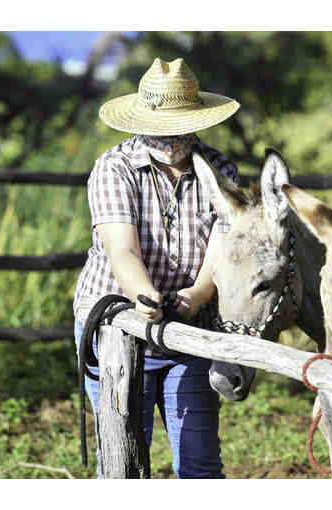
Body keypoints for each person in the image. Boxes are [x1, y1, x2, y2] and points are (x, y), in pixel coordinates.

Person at [73, 57, 240, 478]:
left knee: (200, 461)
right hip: (118, 325)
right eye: (160, 128)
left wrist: (197, 295)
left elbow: (220, 249)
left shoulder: (219, 170)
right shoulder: (114, 168)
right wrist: (144, 296)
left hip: (191, 324)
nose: (169, 138)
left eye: (178, 128)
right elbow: (122, 250)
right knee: (125, 457)